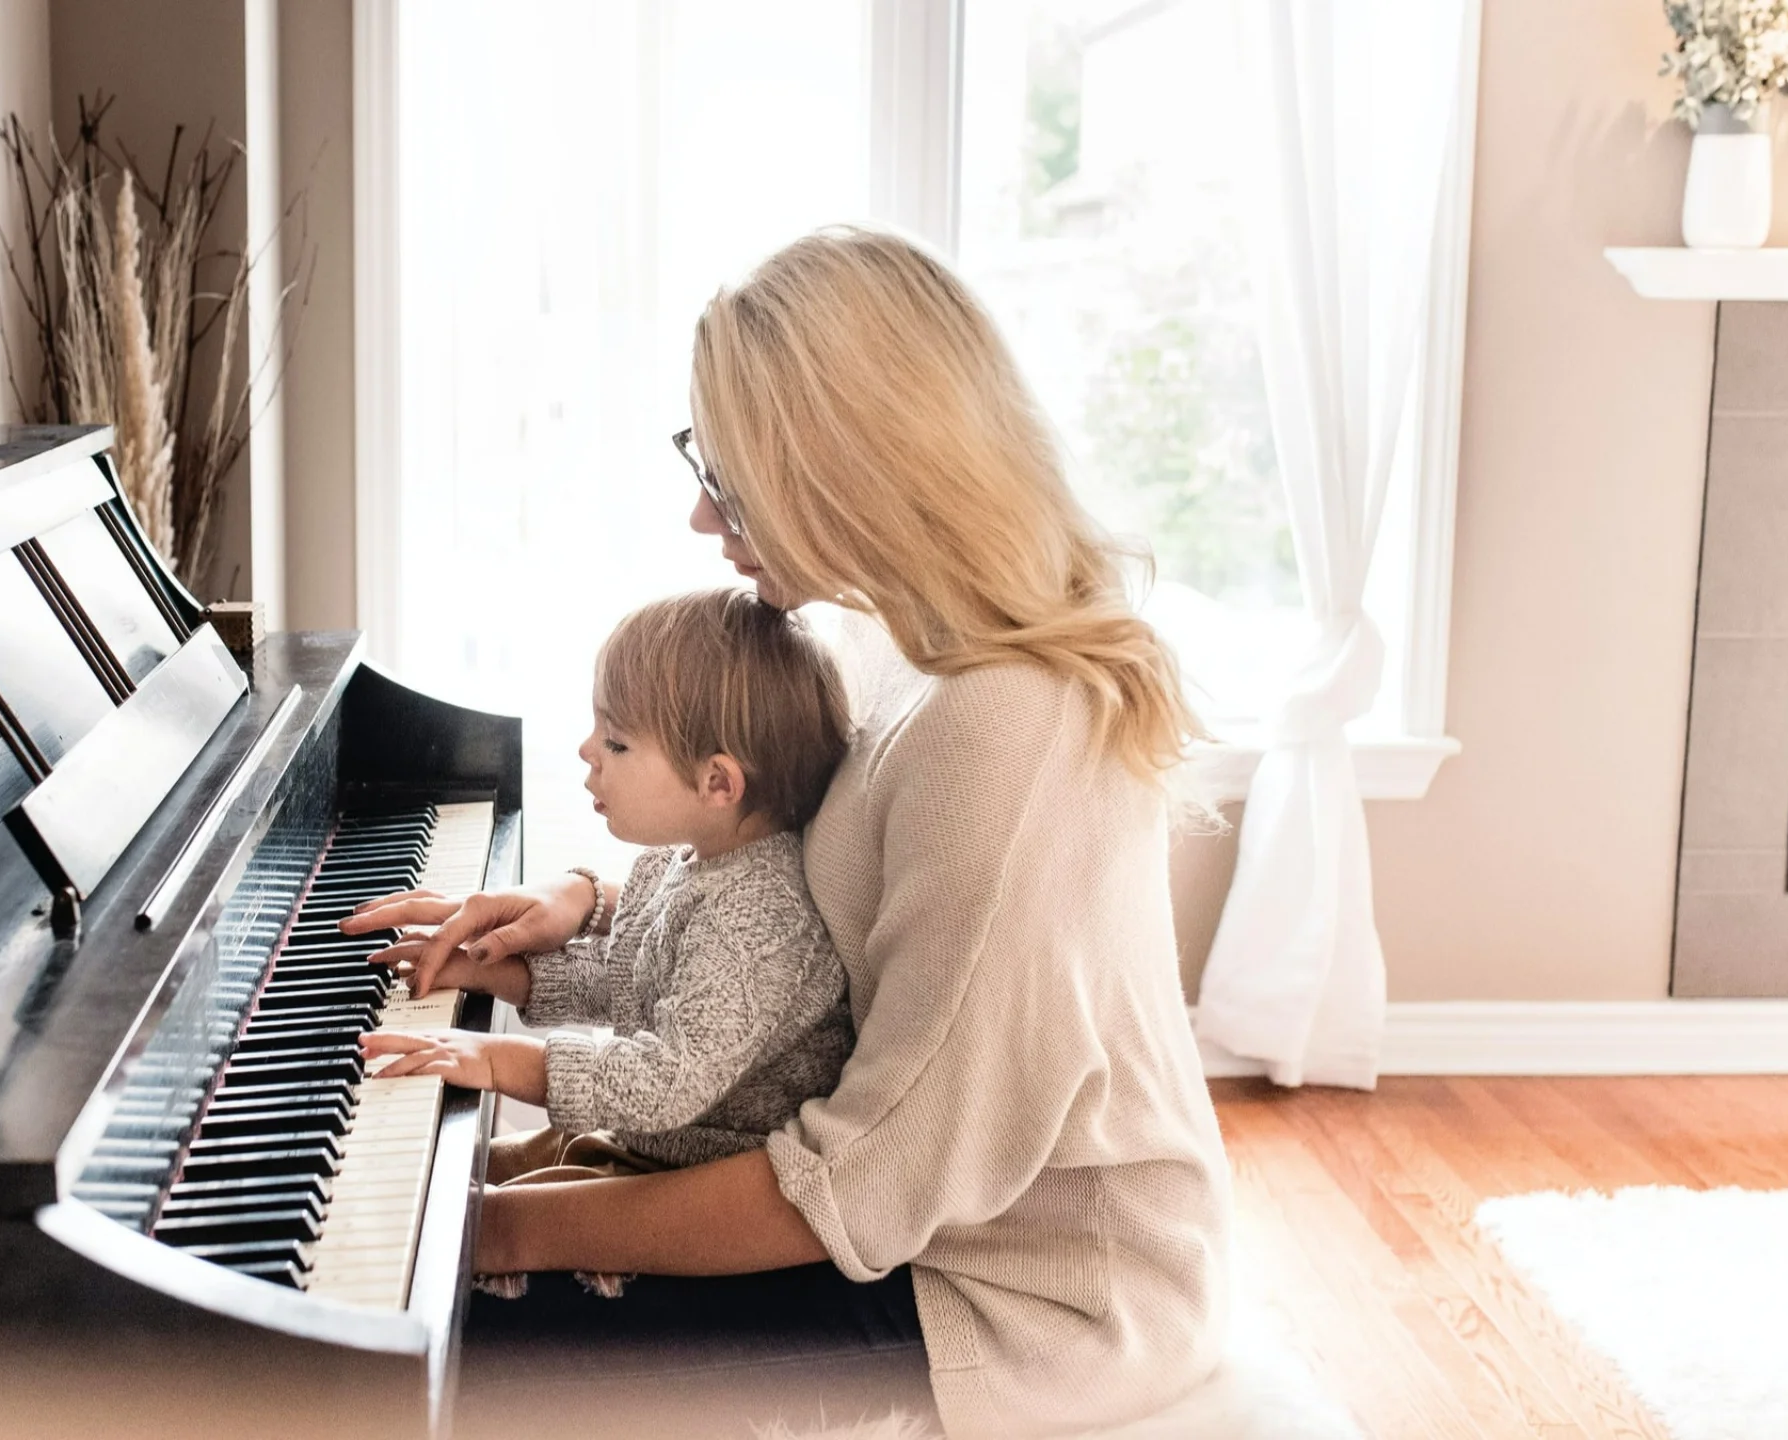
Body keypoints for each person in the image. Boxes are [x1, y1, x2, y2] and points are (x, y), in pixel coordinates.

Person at [344, 226, 1232, 1438]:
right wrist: (579, 910)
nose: (704, 517)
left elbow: (854, 1186)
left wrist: (477, 1227)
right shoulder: (890, 646)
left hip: (1005, 1301)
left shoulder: (1003, 730)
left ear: (850, 464)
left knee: (406, 1352)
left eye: (731, 474)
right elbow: (782, 899)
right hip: (896, 1223)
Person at [353, 587, 856, 1299]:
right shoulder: (690, 860)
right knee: (418, 1175)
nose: (588, 753)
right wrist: (497, 972)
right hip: (659, 1148)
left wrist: (502, 1061)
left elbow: (666, 1080)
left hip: (692, 1187)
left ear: (718, 781)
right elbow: (630, 979)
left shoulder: (763, 919)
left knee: (439, 1243)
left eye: (616, 742)